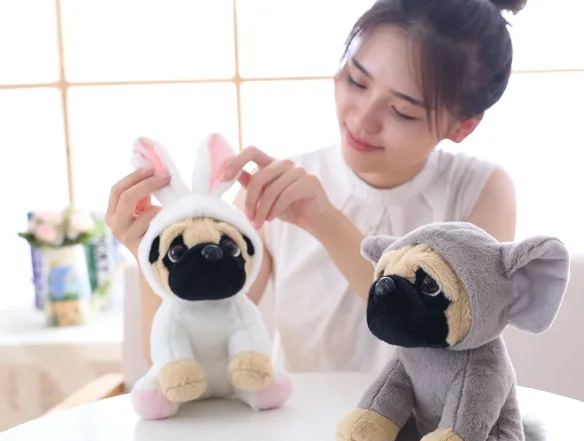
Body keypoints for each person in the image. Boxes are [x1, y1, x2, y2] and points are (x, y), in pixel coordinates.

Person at [106, 0, 526, 373]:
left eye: (402, 110)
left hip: (430, 435)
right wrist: (155, 252)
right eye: (357, 81)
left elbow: (454, 341)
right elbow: (186, 365)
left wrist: (326, 222)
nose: (362, 119)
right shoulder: (277, 188)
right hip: (294, 428)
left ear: (462, 127)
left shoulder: (480, 191)